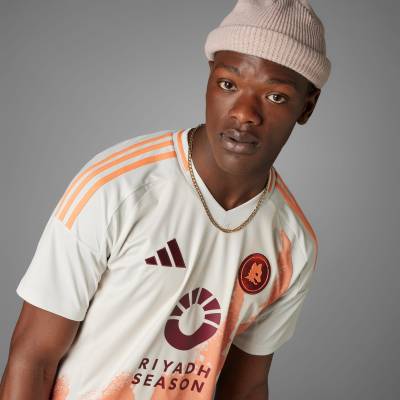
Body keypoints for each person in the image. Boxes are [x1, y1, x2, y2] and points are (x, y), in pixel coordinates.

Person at [0, 0, 331, 399]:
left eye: (275, 96)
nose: (245, 113)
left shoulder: (292, 243)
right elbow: (33, 358)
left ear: (306, 107)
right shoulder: (117, 187)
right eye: (228, 84)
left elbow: (246, 387)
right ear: (209, 79)